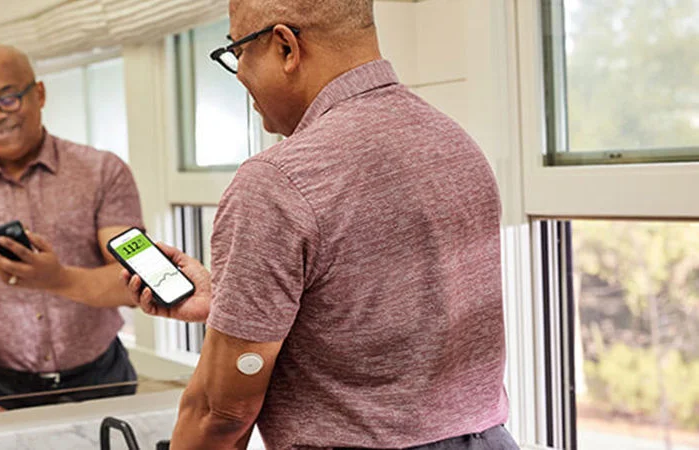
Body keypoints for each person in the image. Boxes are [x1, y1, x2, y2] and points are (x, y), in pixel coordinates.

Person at [124, 0, 520, 449]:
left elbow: (222, 412)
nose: (238, 74)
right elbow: (390, 319)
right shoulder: (454, 144)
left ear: (285, 47)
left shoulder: (278, 181)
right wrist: (230, 302)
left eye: (238, 51)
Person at [0, 44, 144, 414]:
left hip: (102, 379)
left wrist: (59, 278)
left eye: (9, 98)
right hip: (1, 387)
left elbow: (135, 282)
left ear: (39, 94)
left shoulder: (104, 172)